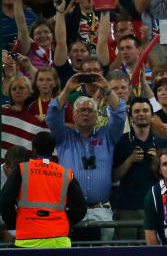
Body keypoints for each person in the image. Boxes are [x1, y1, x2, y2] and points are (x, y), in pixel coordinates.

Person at [45, 72, 126, 242]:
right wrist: (67, 89)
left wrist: (106, 87)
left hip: (101, 210)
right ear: (73, 115)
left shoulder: (107, 136)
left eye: (90, 110)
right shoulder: (63, 137)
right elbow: (52, 117)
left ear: (97, 116)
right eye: (81, 110)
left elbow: (119, 114)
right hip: (71, 210)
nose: (86, 113)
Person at [0, 131, 86, 248]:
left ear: (34, 150)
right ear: (53, 150)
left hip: (28, 241)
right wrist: (61, 222)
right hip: (59, 242)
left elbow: (5, 201)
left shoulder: (22, 170)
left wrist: (17, 223)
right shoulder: (66, 174)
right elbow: (80, 208)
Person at [112, 96, 164, 240]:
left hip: (155, 207)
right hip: (126, 208)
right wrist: (130, 160)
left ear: (152, 115)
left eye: (146, 110)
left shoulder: (162, 143)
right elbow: (114, 177)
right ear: (131, 117)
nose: (141, 114)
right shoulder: (121, 142)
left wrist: (158, 163)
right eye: (137, 111)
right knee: (125, 255)